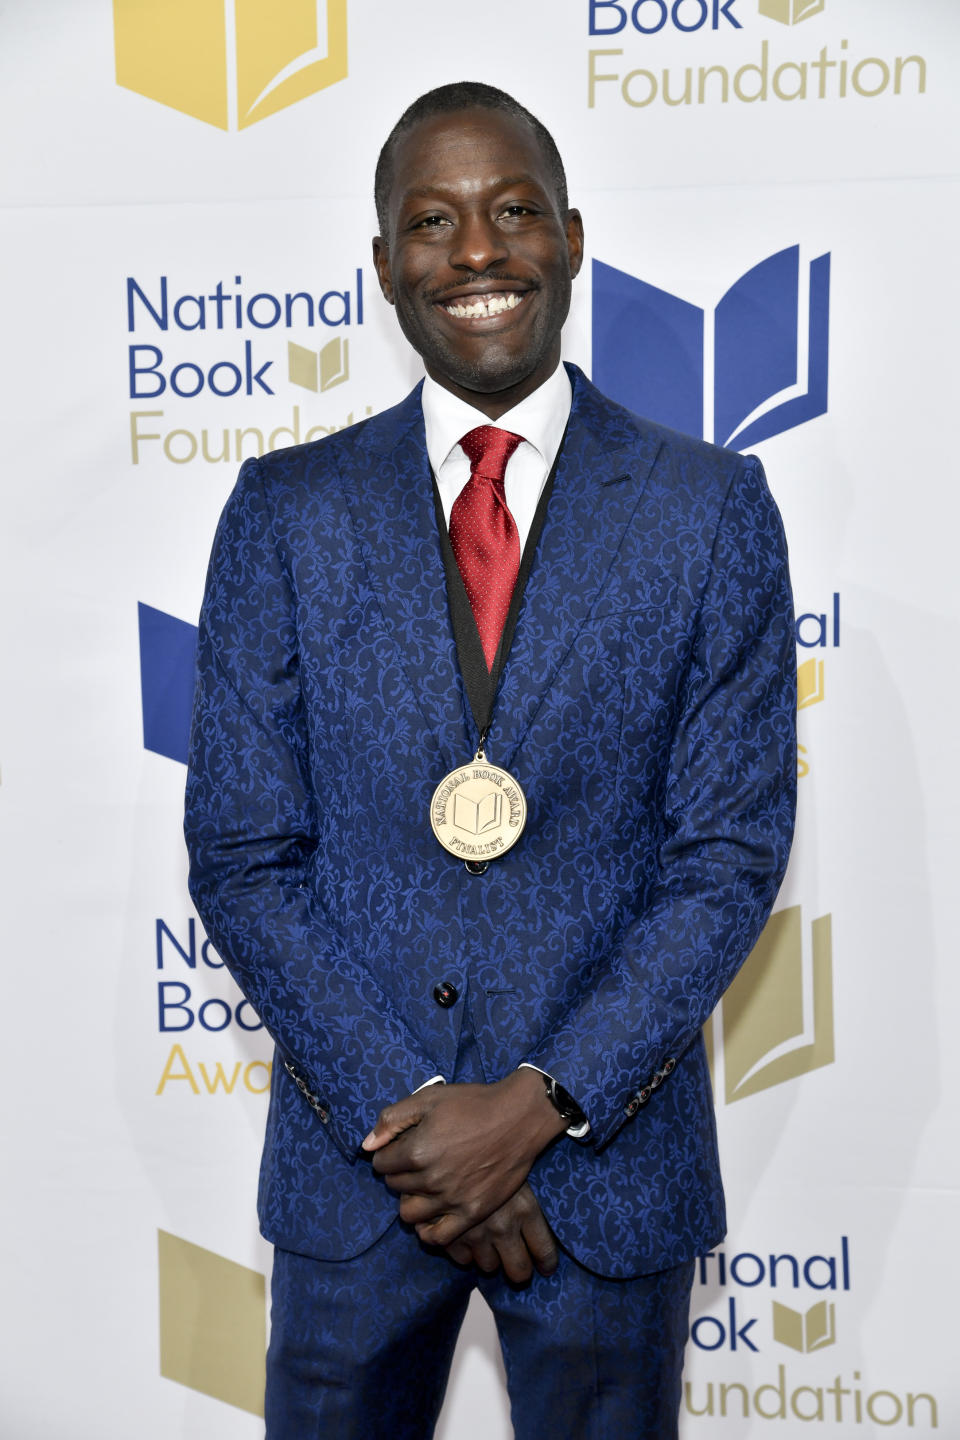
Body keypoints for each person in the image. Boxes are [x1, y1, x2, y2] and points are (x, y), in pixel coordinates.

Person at [184, 80, 796, 1440]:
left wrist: (540, 1103)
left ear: (573, 239)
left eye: (514, 211)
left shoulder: (711, 512)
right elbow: (242, 854)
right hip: (361, 1179)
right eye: (433, 221)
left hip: (608, 1178)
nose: (476, 252)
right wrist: (420, 1120)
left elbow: (727, 855)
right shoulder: (284, 514)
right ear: (387, 264)